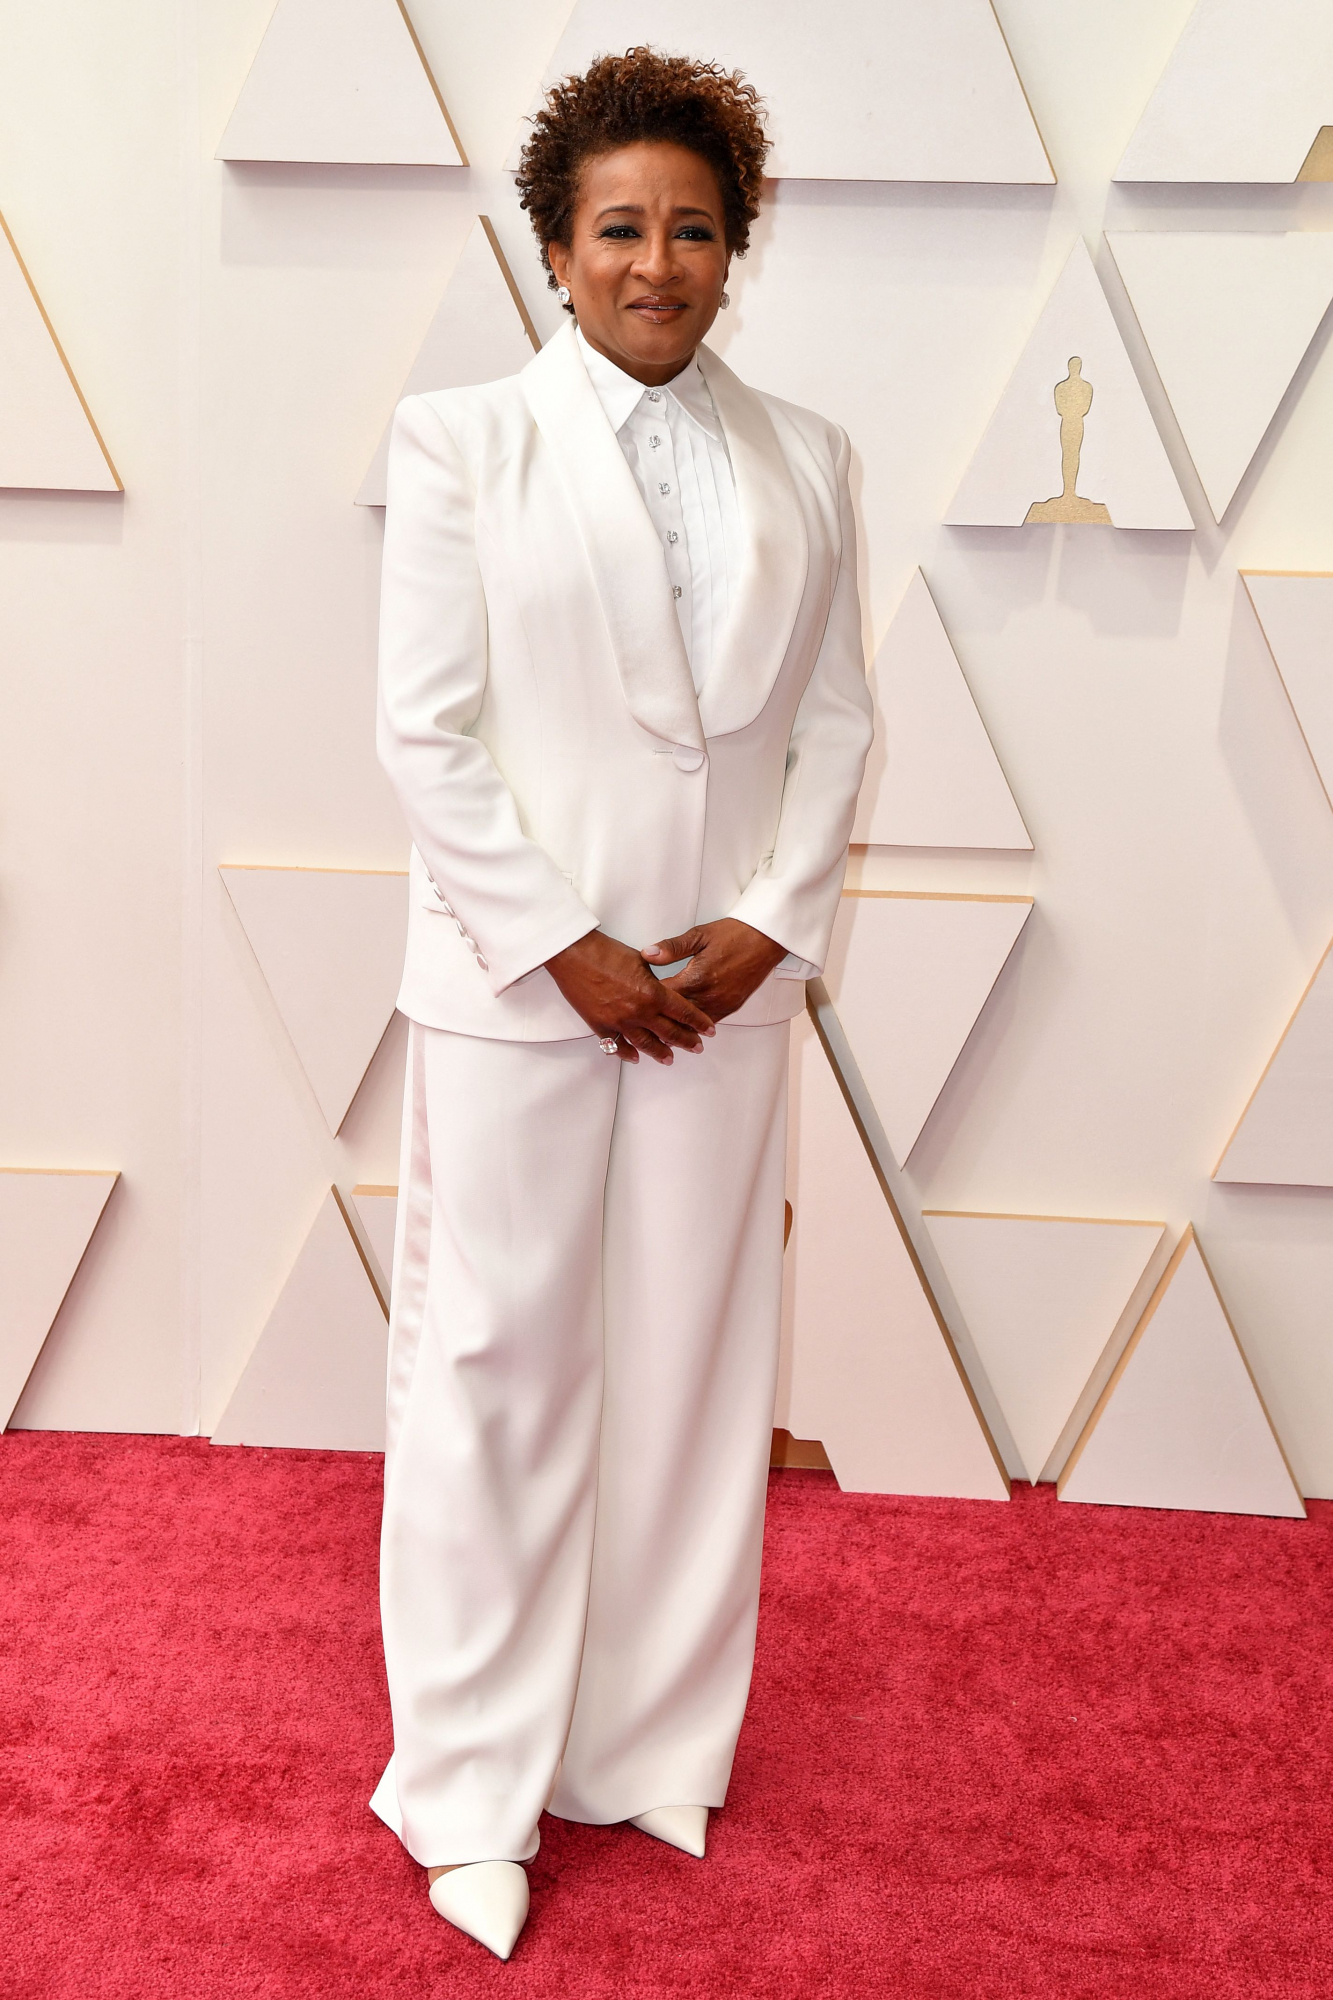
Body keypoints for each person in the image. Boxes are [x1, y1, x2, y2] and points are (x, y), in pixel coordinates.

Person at [370, 46, 873, 1959]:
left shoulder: (809, 454)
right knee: (497, 1373)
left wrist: (765, 927)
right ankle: (468, 1782)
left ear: (733, 248)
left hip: (722, 994)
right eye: (617, 228)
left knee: (688, 1372)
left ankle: (654, 1737)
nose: (653, 260)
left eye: (688, 226)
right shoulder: (458, 445)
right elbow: (426, 732)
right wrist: (559, 945)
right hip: (526, 991)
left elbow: (835, 728)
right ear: (555, 249)